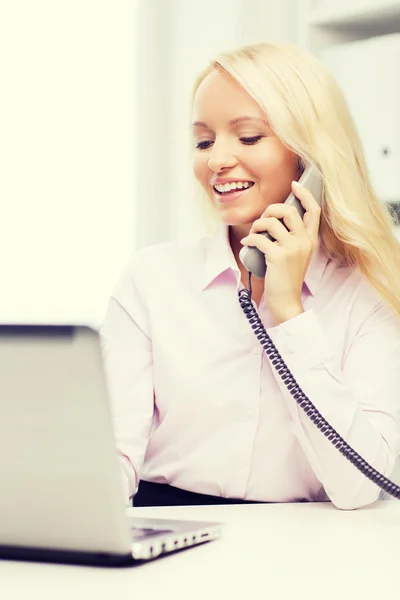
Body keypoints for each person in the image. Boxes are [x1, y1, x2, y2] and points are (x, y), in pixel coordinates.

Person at [100, 42, 400, 510]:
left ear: (312, 159)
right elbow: (110, 460)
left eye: (248, 137)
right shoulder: (152, 278)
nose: (217, 159)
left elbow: (360, 487)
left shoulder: (368, 294)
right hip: (167, 530)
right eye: (203, 141)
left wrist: (288, 312)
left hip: (302, 549)